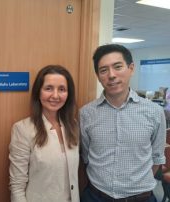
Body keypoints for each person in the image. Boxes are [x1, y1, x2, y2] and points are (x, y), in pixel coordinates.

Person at [80, 44, 166, 202]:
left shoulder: (154, 112)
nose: (111, 75)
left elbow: (156, 158)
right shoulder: (86, 113)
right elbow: (86, 157)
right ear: (98, 76)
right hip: (96, 196)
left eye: (117, 66)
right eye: (103, 70)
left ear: (131, 68)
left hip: (141, 198)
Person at [9, 65, 80, 202]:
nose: (55, 95)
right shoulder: (23, 129)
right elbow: (17, 186)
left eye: (62, 89)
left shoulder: (74, 126)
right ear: (38, 92)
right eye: (48, 88)